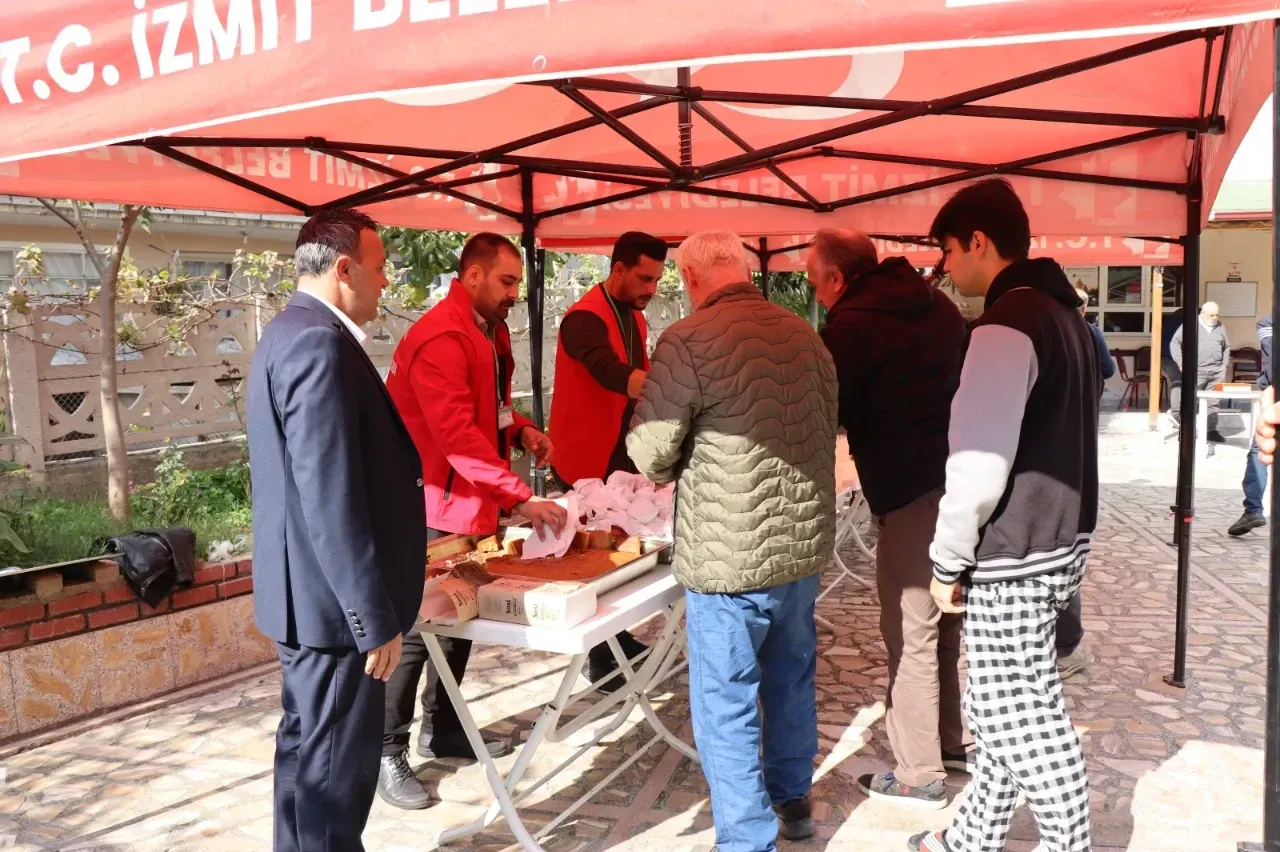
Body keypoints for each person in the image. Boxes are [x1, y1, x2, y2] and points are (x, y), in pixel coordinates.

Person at [628, 230, 837, 852]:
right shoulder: (808, 335)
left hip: (729, 552)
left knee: (727, 701)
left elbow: (651, 449)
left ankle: (746, 840)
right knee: (792, 673)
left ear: (691, 280)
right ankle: (793, 798)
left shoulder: (686, 340)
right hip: (800, 546)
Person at [910, 178, 1098, 852]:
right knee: (1001, 718)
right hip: (1056, 545)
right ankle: (968, 840)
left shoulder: (1008, 323)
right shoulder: (1064, 316)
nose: (947, 270)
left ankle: (1067, 844)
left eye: (948, 254)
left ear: (979, 243)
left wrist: (947, 559)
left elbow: (979, 463)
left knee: (1019, 719)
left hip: (1017, 554)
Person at [248, 208, 427, 852]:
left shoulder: (287, 332)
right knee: (332, 784)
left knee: (304, 767)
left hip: (308, 601)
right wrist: (370, 616)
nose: (386, 282)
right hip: (330, 612)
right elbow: (329, 493)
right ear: (345, 269)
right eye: (380, 270)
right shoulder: (318, 342)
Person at [377, 232, 568, 809]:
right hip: (429, 502)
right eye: (508, 281)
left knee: (461, 613)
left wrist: (523, 430)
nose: (515, 293)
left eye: (518, 283)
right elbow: (455, 434)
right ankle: (387, 751)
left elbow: (494, 409)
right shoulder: (441, 336)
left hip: (471, 501)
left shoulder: (491, 332)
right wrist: (520, 498)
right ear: (475, 274)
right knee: (416, 631)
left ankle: (444, 727)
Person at [808, 229, 973, 811]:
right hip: (961, 484)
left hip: (909, 493)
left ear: (835, 279)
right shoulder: (940, 307)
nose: (814, 290)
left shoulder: (850, 328)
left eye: (813, 280)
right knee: (944, 621)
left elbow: (820, 410)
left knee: (911, 633)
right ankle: (949, 742)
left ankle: (918, 770)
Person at [548, 231, 668, 690]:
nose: (651, 289)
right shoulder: (582, 317)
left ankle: (613, 644)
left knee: (616, 552)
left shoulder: (633, 316)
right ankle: (601, 658)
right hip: (581, 455)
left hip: (617, 451)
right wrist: (662, 388)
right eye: (643, 278)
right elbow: (606, 369)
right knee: (593, 558)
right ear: (616, 270)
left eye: (657, 280)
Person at [1052, 287, 1115, 683]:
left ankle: (1070, 644)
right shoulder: (1087, 331)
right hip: (1076, 441)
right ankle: (1065, 643)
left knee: (1063, 547)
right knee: (1064, 548)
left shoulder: (1077, 332)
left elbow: (1107, 370)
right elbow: (1106, 370)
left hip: (1064, 449)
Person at [1229, 315, 1273, 536]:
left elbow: (1273, 359)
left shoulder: (1269, 323)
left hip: (1275, 396)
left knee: (1260, 449)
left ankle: (1253, 510)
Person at [1169, 301, 1230, 442]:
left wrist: (1224, 364)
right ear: (1202, 314)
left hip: (1216, 371)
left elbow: (1226, 346)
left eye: (1217, 315)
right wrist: (1181, 363)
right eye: (1211, 315)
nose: (1215, 318)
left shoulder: (1220, 326)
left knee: (1213, 402)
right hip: (1197, 370)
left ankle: (1211, 431)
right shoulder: (1190, 325)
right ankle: (1186, 430)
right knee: (1191, 401)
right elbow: (1175, 343)